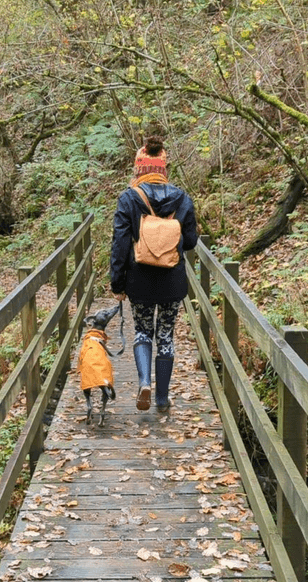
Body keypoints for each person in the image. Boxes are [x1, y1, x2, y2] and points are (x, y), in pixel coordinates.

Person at [110, 136, 198, 413]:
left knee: (143, 331)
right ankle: (161, 398)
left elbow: (120, 244)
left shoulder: (129, 198)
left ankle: (144, 381)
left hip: (140, 280)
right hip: (172, 280)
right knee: (166, 335)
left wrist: (117, 282)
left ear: (139, 168)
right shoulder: (182, 198)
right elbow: (192, 241)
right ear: (164, 168)